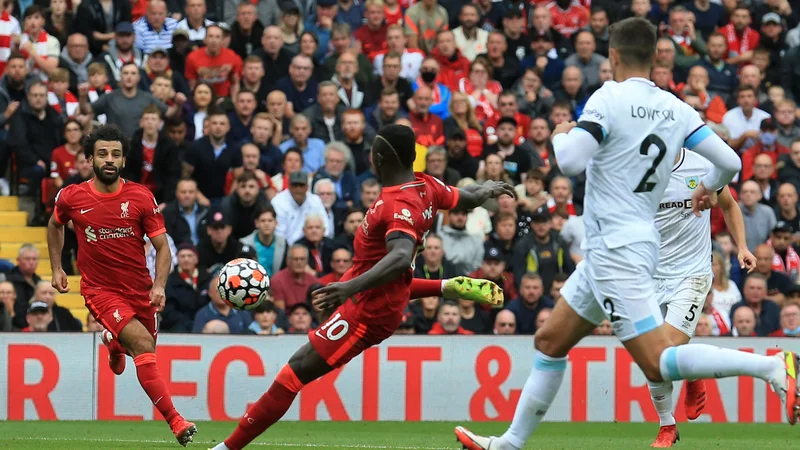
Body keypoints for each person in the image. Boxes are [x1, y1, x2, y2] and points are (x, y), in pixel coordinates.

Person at [455, 17, 798, 450]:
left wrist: (562, 132)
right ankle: (508, 444)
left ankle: (770, 368)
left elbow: (571, 162)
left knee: (659, 361)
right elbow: (730, 162)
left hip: (617, 249)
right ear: (654, 58)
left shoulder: (608, 98)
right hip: (623, 249)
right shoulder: (676, 109)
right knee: (549, 340)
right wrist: (708, 189)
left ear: (613, 57)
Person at [210, 123, 513, 450]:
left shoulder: (399, 205)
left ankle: (226, 449)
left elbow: (399, 257)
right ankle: (445, 286)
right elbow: (466, 197)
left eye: (373, 149)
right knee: (387, 294)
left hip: (367, 312)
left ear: (380, 158)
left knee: (292, 374)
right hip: (381, 296)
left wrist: (348, 288)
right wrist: (488, 188)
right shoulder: (426, 185)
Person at [47, 124, 197, 445]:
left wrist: (159, 286)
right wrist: (57, 267)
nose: (109, 159)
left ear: (124, 160)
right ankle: (176, 421)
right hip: (100, 290)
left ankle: (113, 343)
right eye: (102, 153)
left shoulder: (141, 197)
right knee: (143, 345)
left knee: (143, 348)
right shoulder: (73, 197)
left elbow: (163, 248)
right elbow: (54, 224)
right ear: (90, 159)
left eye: (115, 153)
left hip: (140, 290)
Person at [642, 145, 756, 445]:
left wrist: (742, 247)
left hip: (691, 274)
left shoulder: (702, 165)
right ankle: (685, 385)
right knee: (651, 357)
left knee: (661, 350)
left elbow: (729, 205)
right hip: (649, 275)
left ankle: (668, 425)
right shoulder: (635, 169)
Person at [161, 243, 210, 333]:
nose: (186, 259)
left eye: (190, 256)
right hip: (178, 325)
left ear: (196, 259)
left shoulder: (207, 278)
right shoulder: (169, 281)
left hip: (205, 321)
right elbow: (168, 310)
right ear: (177, 259)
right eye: (182, 256)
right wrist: (188, 323)